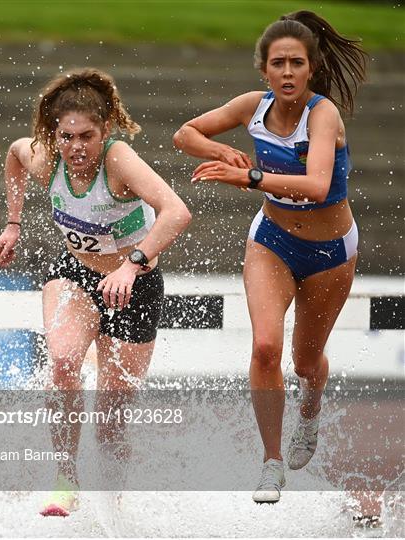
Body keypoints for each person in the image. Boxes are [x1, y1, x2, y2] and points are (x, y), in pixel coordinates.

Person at [173, 10, 366, 504]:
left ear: (310, 68)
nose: (286, 72)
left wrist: (250, 177)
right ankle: (271, 462)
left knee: (304, 361)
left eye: (296, 63)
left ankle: (311, 406)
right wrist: (224, 153)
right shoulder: (251, 106)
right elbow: (185, 134)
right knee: (264, 347)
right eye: (277, 63)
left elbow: (318, 184)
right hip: (272, 242)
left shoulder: (322, 115)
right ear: (263, 70)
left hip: (329, 253)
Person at [0, 67, 191, 516]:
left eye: (86, 136)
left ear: (105, 131)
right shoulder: (47, 159)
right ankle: (65, 477)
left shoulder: (119, 160)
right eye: (66, 137)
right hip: (76, 276)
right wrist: (13, 222)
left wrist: (132, 264)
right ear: (54, 134)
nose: (76, 148)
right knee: (62, 362)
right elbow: (13, 153)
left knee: (110, 423)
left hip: (134, 288)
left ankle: (112, 504)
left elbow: (176, 212)